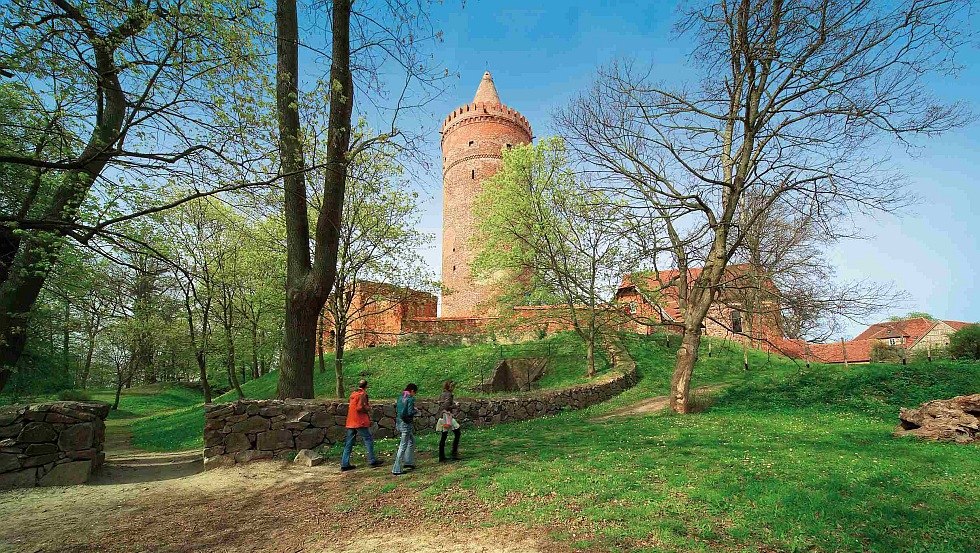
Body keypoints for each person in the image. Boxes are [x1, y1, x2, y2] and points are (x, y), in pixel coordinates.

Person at [341, 379, 382, 471]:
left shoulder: (353, 395)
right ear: (366, 386)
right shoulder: (363, 394)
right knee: (368, 439)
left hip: (351, 421)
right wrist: (368, 408)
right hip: (360, 421)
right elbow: (360, 408)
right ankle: (372, 460)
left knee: (349, 443)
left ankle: (344, 463)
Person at [391, 383, 418, 475]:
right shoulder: (410, 398)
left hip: (399, 422)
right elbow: (410, 412)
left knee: (411, 441)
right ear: (412, 391)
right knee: (403, 446)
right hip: (406, 423)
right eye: (415, 392)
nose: (415, 394)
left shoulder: (400, 397)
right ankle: (396, 468)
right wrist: (416, 411)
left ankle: (408, 462)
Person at [436, 380, 461, 462]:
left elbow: (441, 404)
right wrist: (455, 405)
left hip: (443, 417)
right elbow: (446, 406)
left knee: (444, 436)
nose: (454, 388)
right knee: (457, 432)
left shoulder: (442, 394)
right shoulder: (449, 395)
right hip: (447, 417)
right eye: (453, 386)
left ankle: (442, 456)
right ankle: (453, 453)